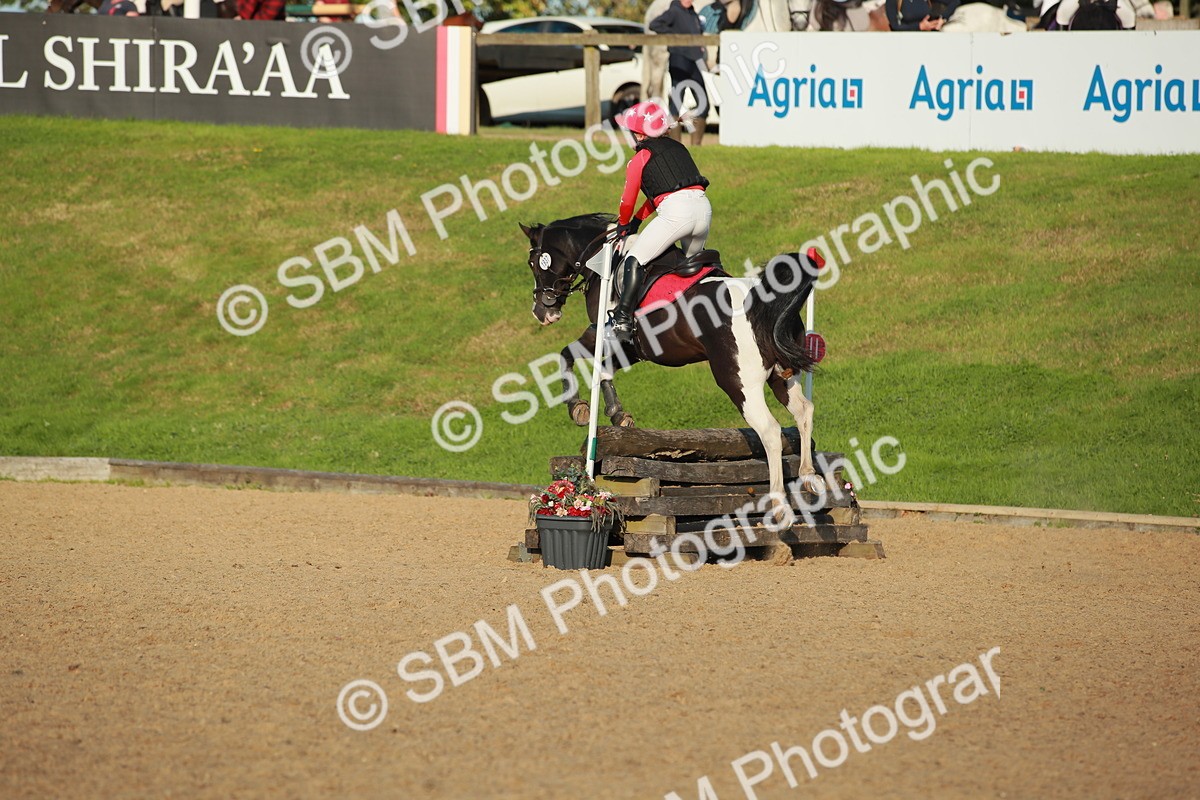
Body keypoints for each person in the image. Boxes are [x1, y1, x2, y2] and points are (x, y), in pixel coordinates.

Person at [609, 101, 712, 345]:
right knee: (691, 269)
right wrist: (637, 221)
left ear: (640, 133)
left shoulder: (640, 158)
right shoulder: (679, 148)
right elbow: (659, 195)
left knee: (634, 259)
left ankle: (623, 318)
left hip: (677, 214)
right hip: (704, 210)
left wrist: (625, 224)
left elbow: (628, 200)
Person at [649, 0, 711, 146]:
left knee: (704, 103)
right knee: (676, 102)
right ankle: (676, 144)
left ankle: (696, 144)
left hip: (695, 62)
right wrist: (674, 35)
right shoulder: (674, 11)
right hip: (679, 60)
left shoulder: (693, 14)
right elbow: (655, 25)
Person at [887, 0, 960, 29]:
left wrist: (943, 18)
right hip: (904, 42)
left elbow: (954, 1)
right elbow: (895, 26)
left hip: (928, 41)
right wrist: (920, 26)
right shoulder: (895, 1)